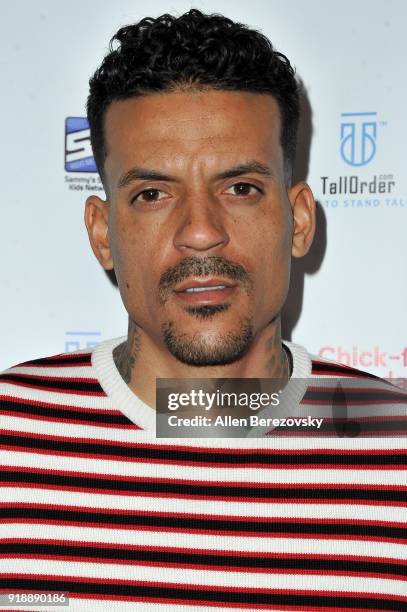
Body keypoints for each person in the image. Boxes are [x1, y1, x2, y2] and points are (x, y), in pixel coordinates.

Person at [0, 9, 405, 611]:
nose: (199, 232)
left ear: (297, 219)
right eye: (152, 194)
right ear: (102, 232)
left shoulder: (394, 451)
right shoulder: (9, 441)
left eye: (239, 188)